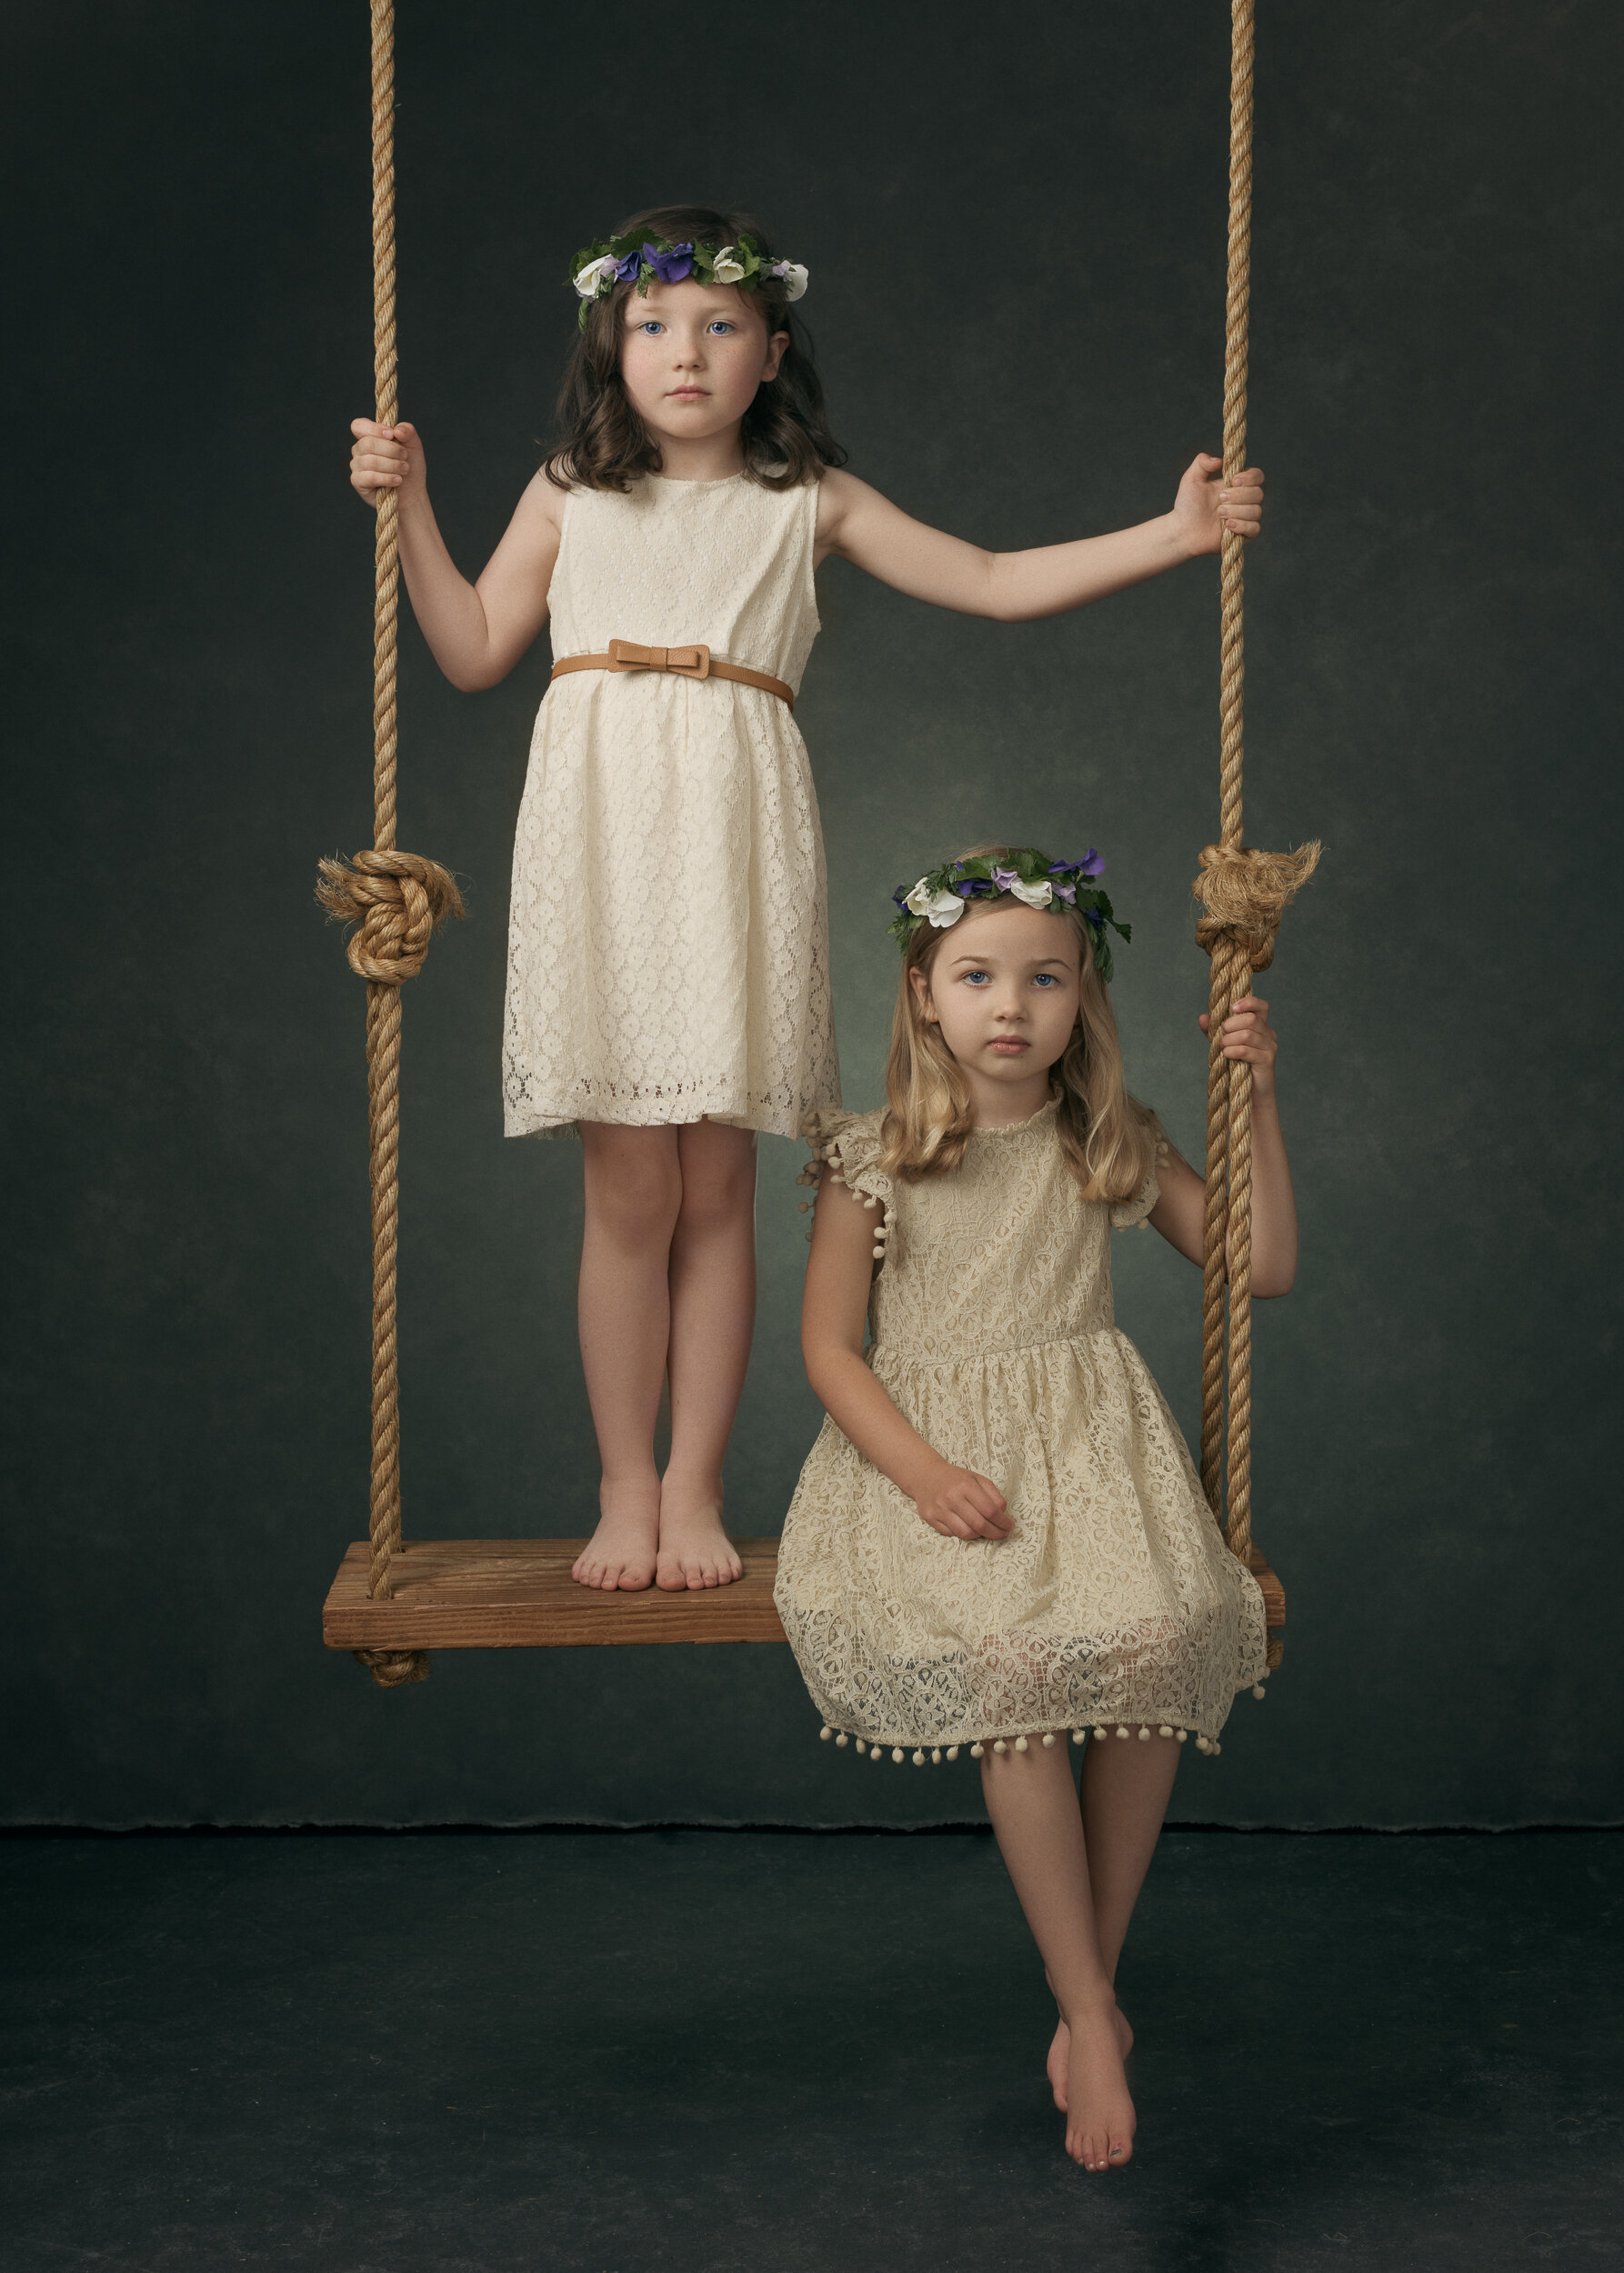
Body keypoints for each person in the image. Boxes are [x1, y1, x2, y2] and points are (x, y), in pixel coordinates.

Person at [346, 205, 1266, 1597]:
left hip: (732, 827)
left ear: (771, 350)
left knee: (717, 1180)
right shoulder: (564, 491)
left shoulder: (806, 499)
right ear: (613, 346)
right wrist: (406, 504)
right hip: (597, 830)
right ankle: (623, 1486)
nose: (686, 355)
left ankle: (698, 1486)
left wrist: (1174, 533)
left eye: (720, 327)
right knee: (625, 1182)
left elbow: (996, 581)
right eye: (653, 327)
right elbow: (473, 646)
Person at [775, 846, 1297, 2170]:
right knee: (1014, 1664)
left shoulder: (1099, 1138)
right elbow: (831, 1349)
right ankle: (1082, 2001)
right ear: (923, 991)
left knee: (1162, 1635)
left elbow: (1265, 1266)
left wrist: (1256, 1101)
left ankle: (1091, 1985)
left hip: (1091, 1459)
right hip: (930, 1462)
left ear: (1081, 1001)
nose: (1010, 1006)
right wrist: (925, 1473)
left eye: (1043, 979)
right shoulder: (876, 1154)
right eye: (977, 976)